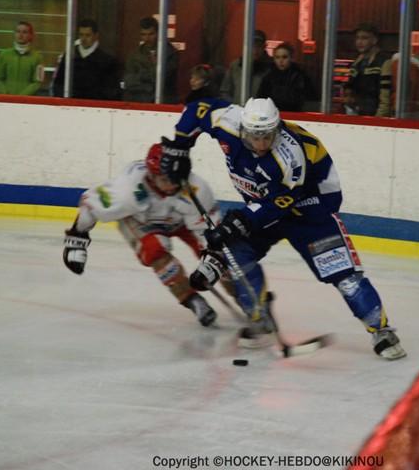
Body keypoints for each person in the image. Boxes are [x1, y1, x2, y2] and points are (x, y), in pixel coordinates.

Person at [163, 97, 406, 360]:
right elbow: (198, 108)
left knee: (343, 275)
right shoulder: (228, 121)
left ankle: (381, 330)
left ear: (277, 130)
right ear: (243, 129)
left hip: (311, 209)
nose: (261, 144)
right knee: (237, 255)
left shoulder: (290, 157)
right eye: (255, 137)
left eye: (267, 137)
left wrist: (237, 223)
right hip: (267, 203)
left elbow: (276, 204)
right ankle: (260, 320)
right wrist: (179, 148)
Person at [62, 143, 234, 327]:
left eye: (177, 178)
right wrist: (77, 237)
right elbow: (91, 203)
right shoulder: (127, 191)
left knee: (223, 254)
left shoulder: (196, 188)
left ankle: (246, 299)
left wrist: (212, 259)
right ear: (151, 176)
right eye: (166, 179)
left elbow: (209, 234)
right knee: (155, 250)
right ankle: (192, 300)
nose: (173, 184)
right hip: (142, 221)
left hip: (182, 219)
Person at [52, 18, 120, 100]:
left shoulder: (106, 61)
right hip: (71, 103)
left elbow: (111, 91)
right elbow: (58, 83)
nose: (83, 39)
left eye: (88, 35)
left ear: (96, 36)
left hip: (94, 104)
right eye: (81, 35)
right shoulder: (70, 56)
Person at [123, 16, 179, 103]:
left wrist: (140, 76)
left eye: (151, 34)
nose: (147, 38)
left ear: (158, 33)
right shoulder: (135, 54)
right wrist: (149, 86)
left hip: (163, 102)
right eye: (143, 34)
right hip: (138, 101)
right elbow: (128, 81)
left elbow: (160, 78)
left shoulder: (169, 53)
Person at [255, 42, 316, 111]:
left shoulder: (300, 77)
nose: (281, 61)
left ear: (291, 58)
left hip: (295, 114)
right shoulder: (268, 78)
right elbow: (261, 99)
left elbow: (311, 100)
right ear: (274, 59)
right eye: (277, 57)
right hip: (272, 113)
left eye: (284, 57)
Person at [347, 22, 392, 116]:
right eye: (357, 38)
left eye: (364, 38)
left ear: (374, 40)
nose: (359, 42)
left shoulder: (384, 61)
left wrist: (378, 120)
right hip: (358, 113)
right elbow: (350, 89)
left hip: (375, 115)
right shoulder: (357, 63)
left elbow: (385, 99)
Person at [220, 30, 272, 104]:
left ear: (264, 47)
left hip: (260, 109)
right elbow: (225, 91)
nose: (255, 50)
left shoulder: (271, 67)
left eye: (259, 46)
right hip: (237, 108)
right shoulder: (236, 65)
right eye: (252, 46)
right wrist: (234, 105)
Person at [0, 21, 44, 95]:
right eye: (18, 31)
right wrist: (6, 94)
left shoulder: (38, 57)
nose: (20, 35)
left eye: (24, 32)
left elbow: (38, 82)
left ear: (30, 35)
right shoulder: (4, 54)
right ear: (14, 34)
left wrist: (22, 96)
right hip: (6, 99)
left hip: (27, 100)